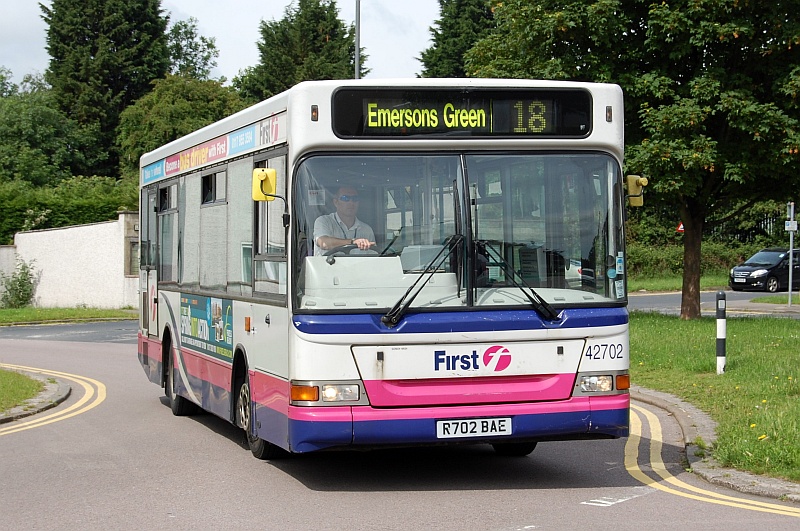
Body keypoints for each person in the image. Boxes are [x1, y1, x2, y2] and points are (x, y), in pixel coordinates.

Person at [313, 186, 376, 253]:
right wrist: (353, 241)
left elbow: (374, 258)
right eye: (345, 198)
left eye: (355, 199)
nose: (351, 202)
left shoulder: (367, 230)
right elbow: (323, 243)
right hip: (328, 263)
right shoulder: (323, 221)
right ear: (336, 202)